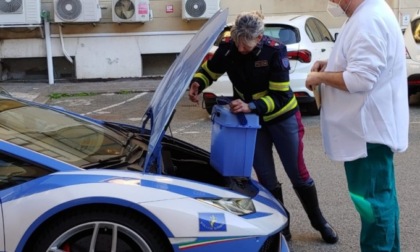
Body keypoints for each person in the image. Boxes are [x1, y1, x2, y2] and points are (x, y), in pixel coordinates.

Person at [189, 11, 338, 244]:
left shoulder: (275, 50)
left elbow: (279, 96)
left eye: (246, 46)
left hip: (282, 117)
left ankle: (319, 222)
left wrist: (250, 106)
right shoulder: (230, 47)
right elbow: (211, 69)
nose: (241, 50)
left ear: (259, 38)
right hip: (252, 123)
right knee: (266, 179)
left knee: (298, 174)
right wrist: (198, 82)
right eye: (238, 44)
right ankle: (282, 225)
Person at [305, 0, 409, 251]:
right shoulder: (366, 15)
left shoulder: (368, 20)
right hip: (367, 133)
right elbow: (360, 63)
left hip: (366, 136)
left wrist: (319, 77)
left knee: (372, 205)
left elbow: (360, 79)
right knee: (382, 200)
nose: (331, 1)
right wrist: (330, 66)